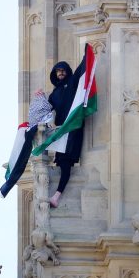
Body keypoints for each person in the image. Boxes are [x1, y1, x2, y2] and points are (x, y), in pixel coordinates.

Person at [35, 61, 84, 207]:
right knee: (62, 162)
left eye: (63, 70)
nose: (60, 72)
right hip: (61, 131)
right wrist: (40, 96)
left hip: (73, 127)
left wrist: (87, 52)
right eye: (58, 71)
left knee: (66, 161)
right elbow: (46, 109)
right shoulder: (54, 93)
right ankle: (56, 197)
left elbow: (81, 70)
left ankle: (56, 196)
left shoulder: (72, 83)